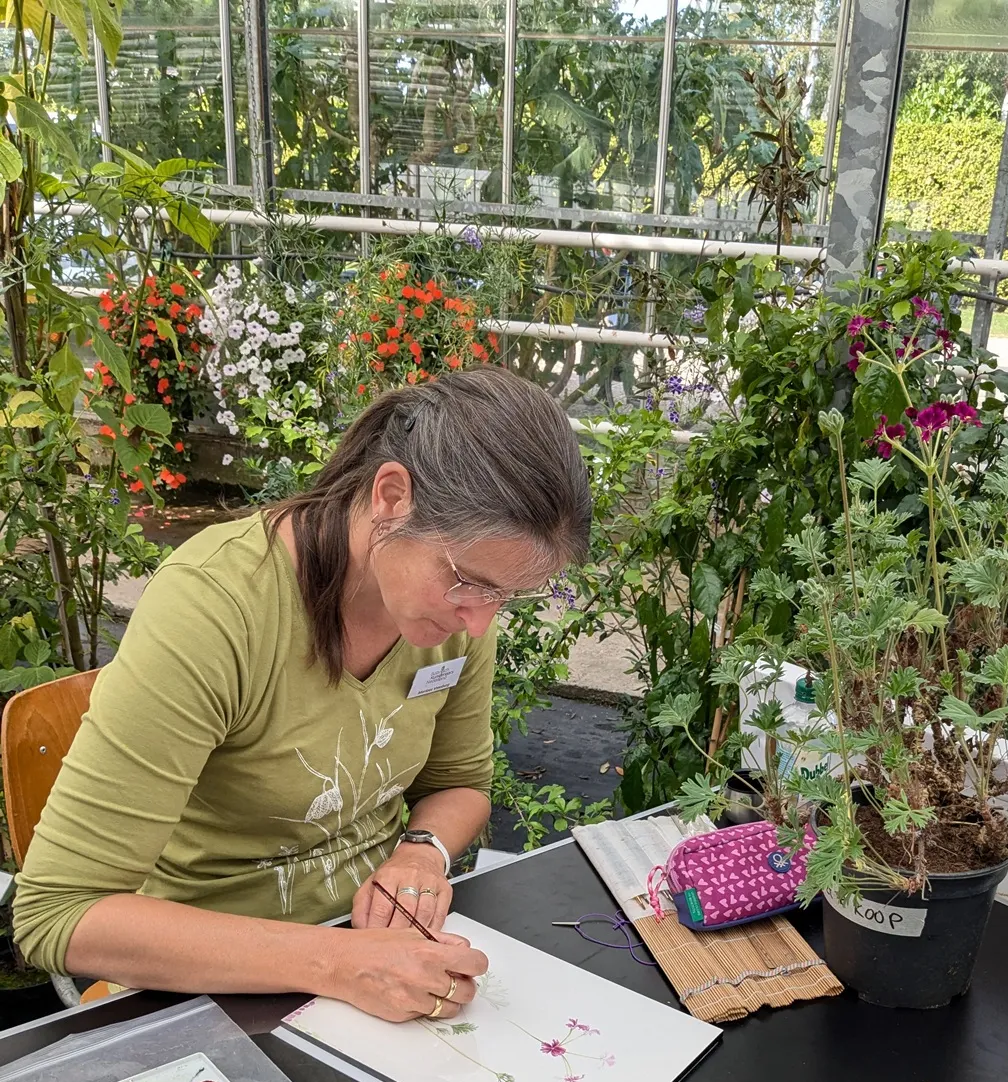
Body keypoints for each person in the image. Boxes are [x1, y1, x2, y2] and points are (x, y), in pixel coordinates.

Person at [13, 366, 592, 1023]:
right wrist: (342, 964)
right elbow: (59, 914)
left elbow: (459, 783)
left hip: (369, 958)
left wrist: (420, 853)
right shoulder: (218, 609)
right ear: (392, 498)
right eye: (469, 581)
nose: (481, 621)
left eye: (505, 597)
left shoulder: (453, 616)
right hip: (205, 985)